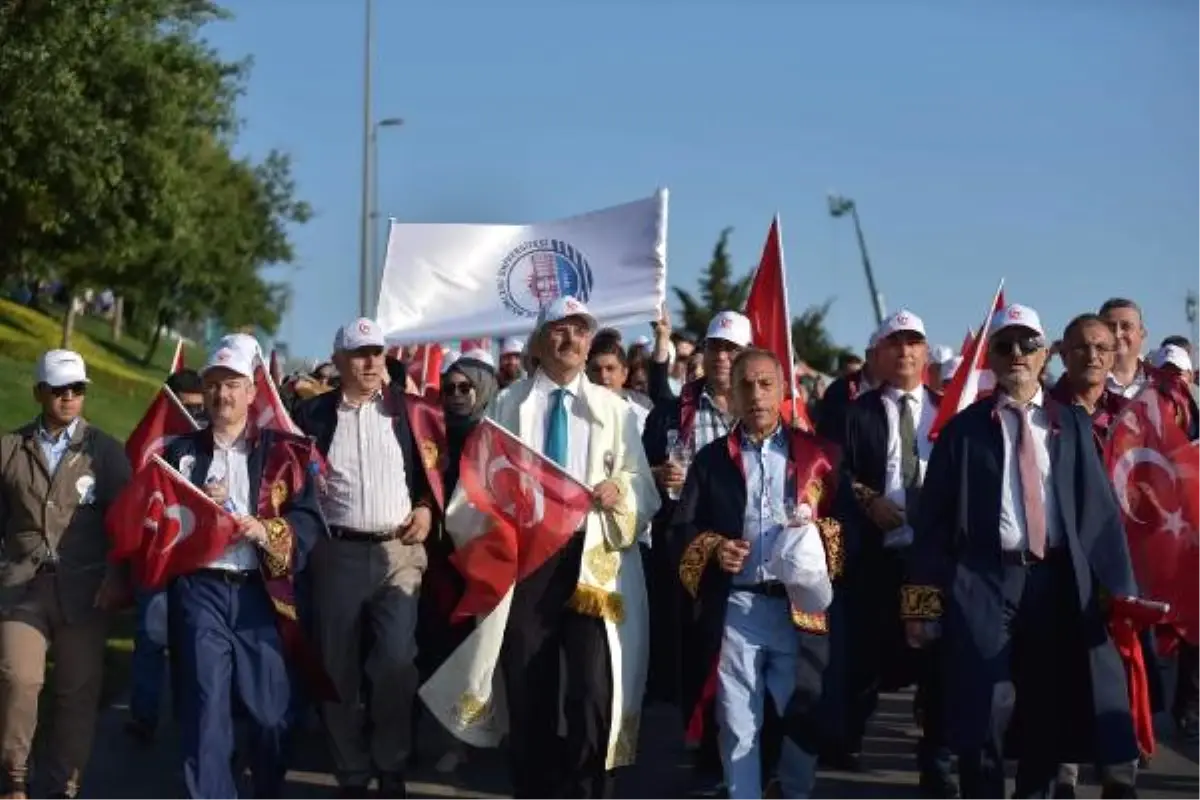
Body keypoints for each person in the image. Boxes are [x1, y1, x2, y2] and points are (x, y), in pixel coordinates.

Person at [423, 296, 660, 800]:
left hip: (594, 566)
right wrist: (499, 527)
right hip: (529, 565)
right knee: (529, 686)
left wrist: (621, 488)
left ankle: (589, 789)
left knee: (593, 690)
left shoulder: (616, 411)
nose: (570, 339)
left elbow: (644, 485)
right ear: (538, 340)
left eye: (579, 330)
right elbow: (475, 490)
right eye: (559, 329)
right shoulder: (507, 406)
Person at [902, 303, 1140, 800]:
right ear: (991, 355)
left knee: (1046, 708)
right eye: (1005, 345)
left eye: (1027, 345)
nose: (1017, 354)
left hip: (1054, 583)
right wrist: (921, 607)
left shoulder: (1070, 425)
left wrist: (1121, 594)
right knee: (985, 702)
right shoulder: (964, 431)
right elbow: (933, 525)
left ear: (1044, 354)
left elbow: (1099, 516)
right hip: (985, 579)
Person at [672, 348, 844, 800]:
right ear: (730, 393)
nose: (756, 395)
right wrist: (714, 548)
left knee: (801, 712)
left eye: (766, 384)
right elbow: (683, 528)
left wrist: (816, 544)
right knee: (737, 718)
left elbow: (846, 529)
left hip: (797, 611)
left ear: (783, 391)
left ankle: (795, 793)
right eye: (745, 385)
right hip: (739, 607)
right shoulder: (711, 460)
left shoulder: (816, 458)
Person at [162, 344, 326, 800]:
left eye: (232, 384)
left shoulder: (284, 453)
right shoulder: (180, 454)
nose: (222, 395)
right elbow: (159, 520)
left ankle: (266, 787)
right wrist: (192, 509)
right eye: (213, 385)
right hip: (202, 592)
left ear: (252, 392)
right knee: (205, 708)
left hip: (262, 594)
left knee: (272, 715)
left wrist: (267, 529)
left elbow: (310, 521)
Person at [291, 318, 444, 800]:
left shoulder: (411, 411)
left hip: (398, 551)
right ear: (338, 362)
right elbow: (288, 478)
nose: (372, 362)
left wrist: (424, 507)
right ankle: (352, 770)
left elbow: (435, 474)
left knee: (397, 660)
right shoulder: (312, 415)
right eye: (360, 354)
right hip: (336, 553)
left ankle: (391, 760)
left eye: (377, 352)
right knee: (336, 667)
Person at [0, 350, 131, 800]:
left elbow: (125, 523)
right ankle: (14, 776)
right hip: (22, 587)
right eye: (59, 389)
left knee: (77, 692)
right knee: (19, 679)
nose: (69, 398)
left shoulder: (107, 452)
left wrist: (116, 576)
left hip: (86, 590)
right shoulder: (9, 448)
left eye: (78, 389)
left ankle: (63, 788)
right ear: (39, 392)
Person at [415, 348, 499, 773]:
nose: (456, 395)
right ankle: (450, 740)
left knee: (487, 653)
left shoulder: (501, 435)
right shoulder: (432, 436)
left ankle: (484, 737)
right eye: (448, 388)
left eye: (466, 387)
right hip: (442, 563)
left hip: (490, 560)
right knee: (439, 649)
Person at [125, 367, 209, 744]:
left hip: (197, 558)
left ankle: (189, 716)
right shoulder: (154, 440)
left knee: (194, 641)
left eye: (200, 409)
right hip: (157, 553)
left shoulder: (211, 445)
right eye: (186, 408)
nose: (195, 417)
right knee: (151, 636)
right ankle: (143, 715)